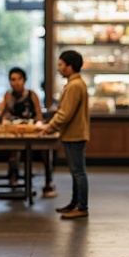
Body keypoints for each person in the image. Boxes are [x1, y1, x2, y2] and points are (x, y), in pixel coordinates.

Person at [41, 50, 89, 219]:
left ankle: (81, 207)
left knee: (78, 172)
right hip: (74, 133)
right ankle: (75, 203)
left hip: (74, 134)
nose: (59, 68)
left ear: (70, 66)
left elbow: (64, 113)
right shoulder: (75, 83)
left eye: (61, 64)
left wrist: (49, 127)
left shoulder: (74, 85)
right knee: (77, 171)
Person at [0, 67, 56, 198]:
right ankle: (14, 179)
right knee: (13, 150)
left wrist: (39, 126)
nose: (16, 82)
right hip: (15, 132)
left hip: (31, 130)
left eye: (19, 79)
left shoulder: (31, 94)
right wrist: (5, 106)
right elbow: (1, 115)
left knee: (45, 150)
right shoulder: (8, 96)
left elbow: (39, 115)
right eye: (13, 79)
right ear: (9, 81)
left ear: (24, 80)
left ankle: (48, 182)